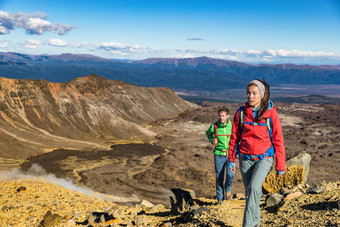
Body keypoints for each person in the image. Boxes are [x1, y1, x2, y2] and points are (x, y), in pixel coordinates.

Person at [228, 79, 286, 227]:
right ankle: (256, 224)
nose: (250, 96)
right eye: (248, 93)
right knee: (250, 194)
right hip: (245, 158)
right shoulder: (241, 113)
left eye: (254, 93)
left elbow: (278, 140)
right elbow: (234, 137)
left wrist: (280, 166)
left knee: (254, 188)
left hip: (264, 158)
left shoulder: (271, 114)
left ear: (262, 94)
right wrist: (231, 159)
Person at [206, 106, 235, 204]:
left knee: (231, 174)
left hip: (230, 155)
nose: (221, 118)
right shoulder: (214, 126)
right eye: (220, 116)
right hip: (218, 154)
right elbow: (208, 133)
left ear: (227, 116)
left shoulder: (232, 125)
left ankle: (228, 190)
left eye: (223, 116)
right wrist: (212, 140)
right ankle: (220, 199)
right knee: (219, 177)